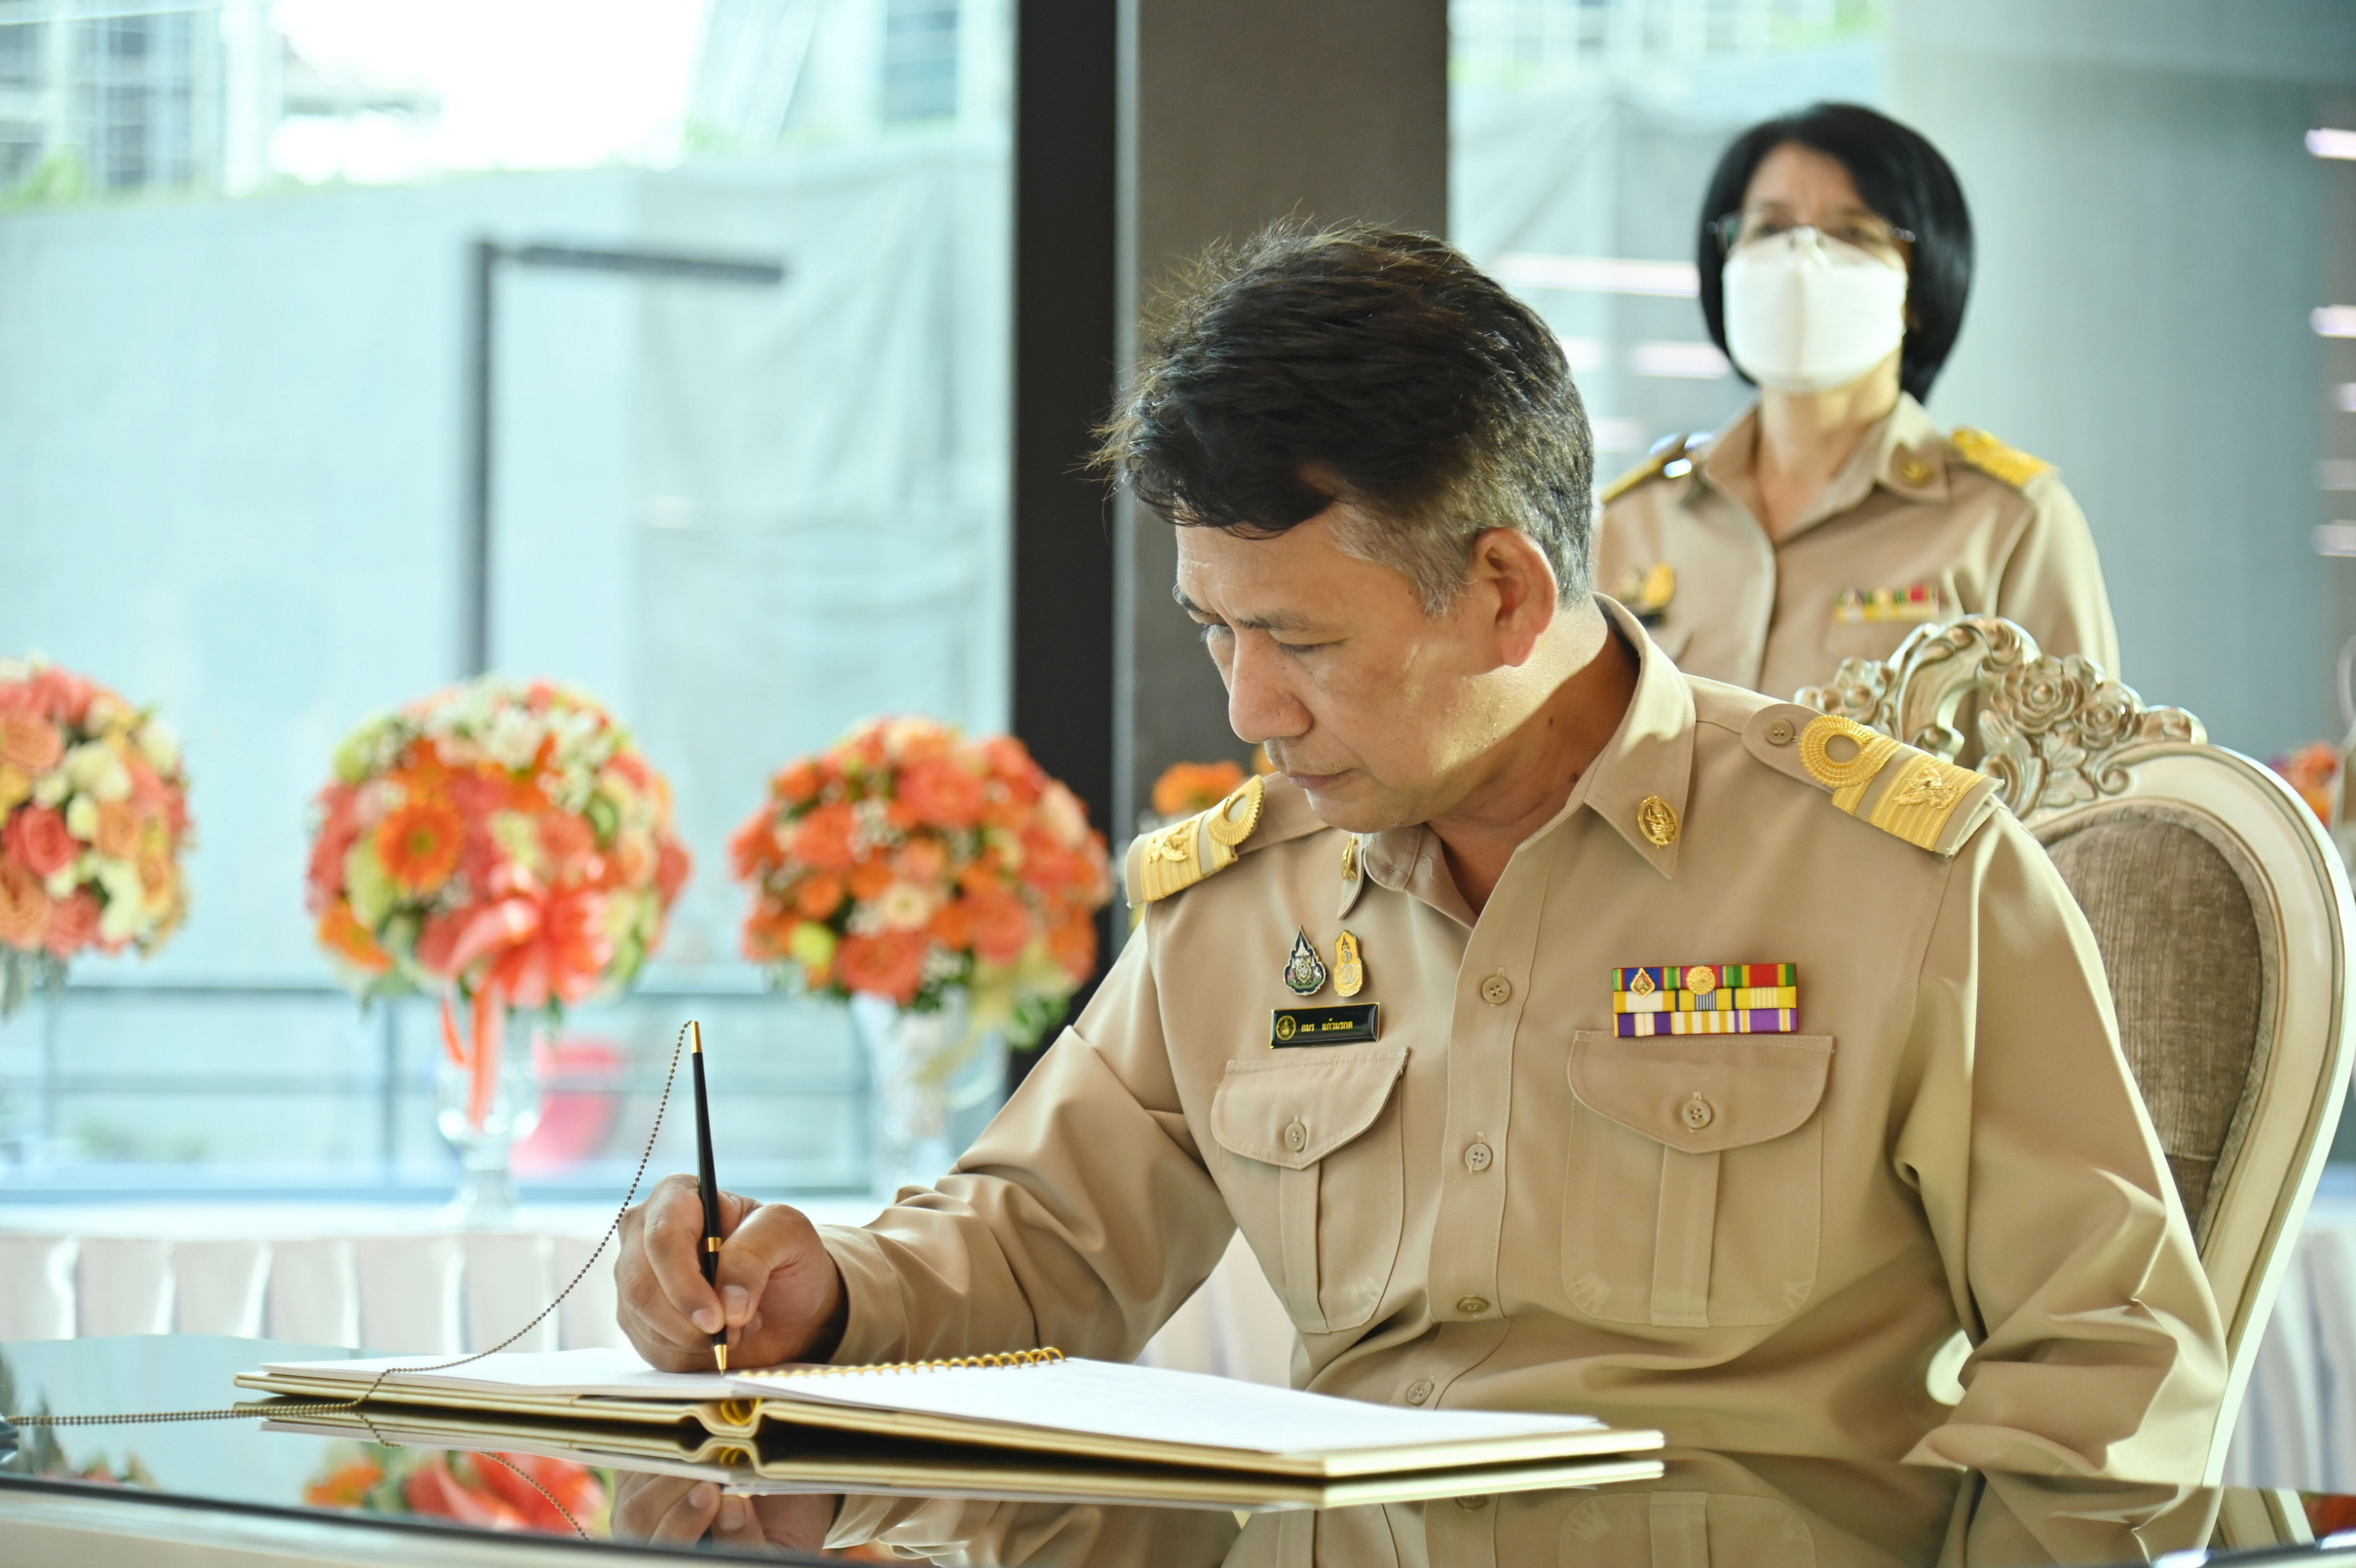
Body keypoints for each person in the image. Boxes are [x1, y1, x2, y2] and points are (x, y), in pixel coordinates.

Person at [615, 224, 2222, 1479]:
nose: (1249, 710)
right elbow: (1041, 1238)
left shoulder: (1891, 879)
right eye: (1213, 630)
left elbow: (2110, 1363)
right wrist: (823, 1286)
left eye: (1300, 642)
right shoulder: (1239, 903)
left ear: (1507, 593)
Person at [1594, 103, 2120, 698]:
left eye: (1853, 232)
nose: (1802, 260)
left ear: (1919, 287)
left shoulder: (2009, 523)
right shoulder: (1634, 523)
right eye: (1769, 229)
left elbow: (2078, 753)